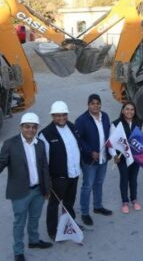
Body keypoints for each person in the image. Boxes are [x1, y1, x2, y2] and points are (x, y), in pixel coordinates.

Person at [0, 113, 52, 261]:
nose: (30, 130)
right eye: (27, 126)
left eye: (34, 127)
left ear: (37, 128)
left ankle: (34, 241)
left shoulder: (40, 144)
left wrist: (46, 189)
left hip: (38, 190)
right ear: (21, 127)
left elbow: (44, 167)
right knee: (19, 223)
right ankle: (18, 251)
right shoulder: (10, 144)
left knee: (35, 218)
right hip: (19, 192)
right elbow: (1, 162)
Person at [39, 101, 81, 241]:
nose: (61, 118)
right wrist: (46, 181)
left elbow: (77, 148)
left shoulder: (72, 127)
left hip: (74, 174)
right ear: (52, 116)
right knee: (53, 204)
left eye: (64, 115)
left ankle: (70, 224)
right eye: (57, 116)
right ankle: (52, 230)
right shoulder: (45, 134)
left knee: (69, 202)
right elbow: (43, 162)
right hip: (58, 178)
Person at [76, 94, 112, 226]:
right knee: (87, 186)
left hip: (103, 158)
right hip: (89, 160)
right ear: (88, 105)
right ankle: (85, 213)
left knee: (99, 183)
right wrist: (90, 152)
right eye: (92, 103)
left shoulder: (105, 116)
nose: (95, 105)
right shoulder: (81, 120)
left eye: (98, 103)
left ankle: (97, 206)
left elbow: (109, 134)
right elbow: (79, 139)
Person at [109, 102, 143, 213]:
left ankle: (134, 199)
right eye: (127, 109)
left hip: (135, 157)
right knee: (124, 178)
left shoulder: (139, 122)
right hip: (122, 157)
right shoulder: (115, 124)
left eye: (132, 109)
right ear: (122, 111)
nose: (130, 111)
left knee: (133, 178)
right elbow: (111, 143)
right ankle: (125, 201)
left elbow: (142, 140)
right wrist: (114, 155)